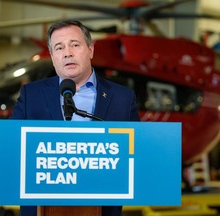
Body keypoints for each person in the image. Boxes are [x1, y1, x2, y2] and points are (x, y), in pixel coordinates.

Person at [10, 19, 140, 216]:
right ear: (53, 57)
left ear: (90, 50)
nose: (67, 53)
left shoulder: (122, 97)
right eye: (59, 48)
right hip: (41, 207)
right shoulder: (31, 95)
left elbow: (137, 154)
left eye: (75, 45)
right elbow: (10, 148)